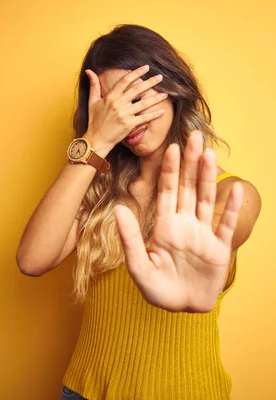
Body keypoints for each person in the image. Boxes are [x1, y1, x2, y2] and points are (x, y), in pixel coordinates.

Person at [16, 24, 262, 400]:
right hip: (84, 391)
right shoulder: (99, 189)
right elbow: (33, 259)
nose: (126, 116)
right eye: (109, 106)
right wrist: (95, 141)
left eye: (135, 96)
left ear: (172, 89)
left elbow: (202, 253)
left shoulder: (230, 194)